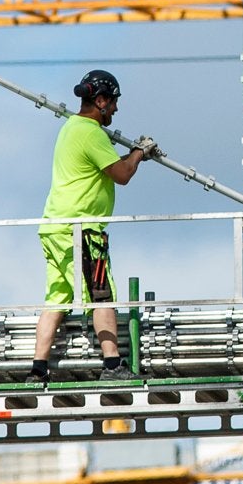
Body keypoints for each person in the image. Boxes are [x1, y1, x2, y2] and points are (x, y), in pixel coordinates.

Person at [30, 69, 155, 381]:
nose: (115, 109)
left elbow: (110, 166)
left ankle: (38, 368)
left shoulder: (72, 128)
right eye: (112, 102)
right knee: (101, 293)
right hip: (81, 230)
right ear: (100, 101)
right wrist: (140, 153)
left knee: (57, 296)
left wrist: (133, 155)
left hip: (55, 227)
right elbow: (123, 175)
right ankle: (112, 365)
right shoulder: (91, 133)